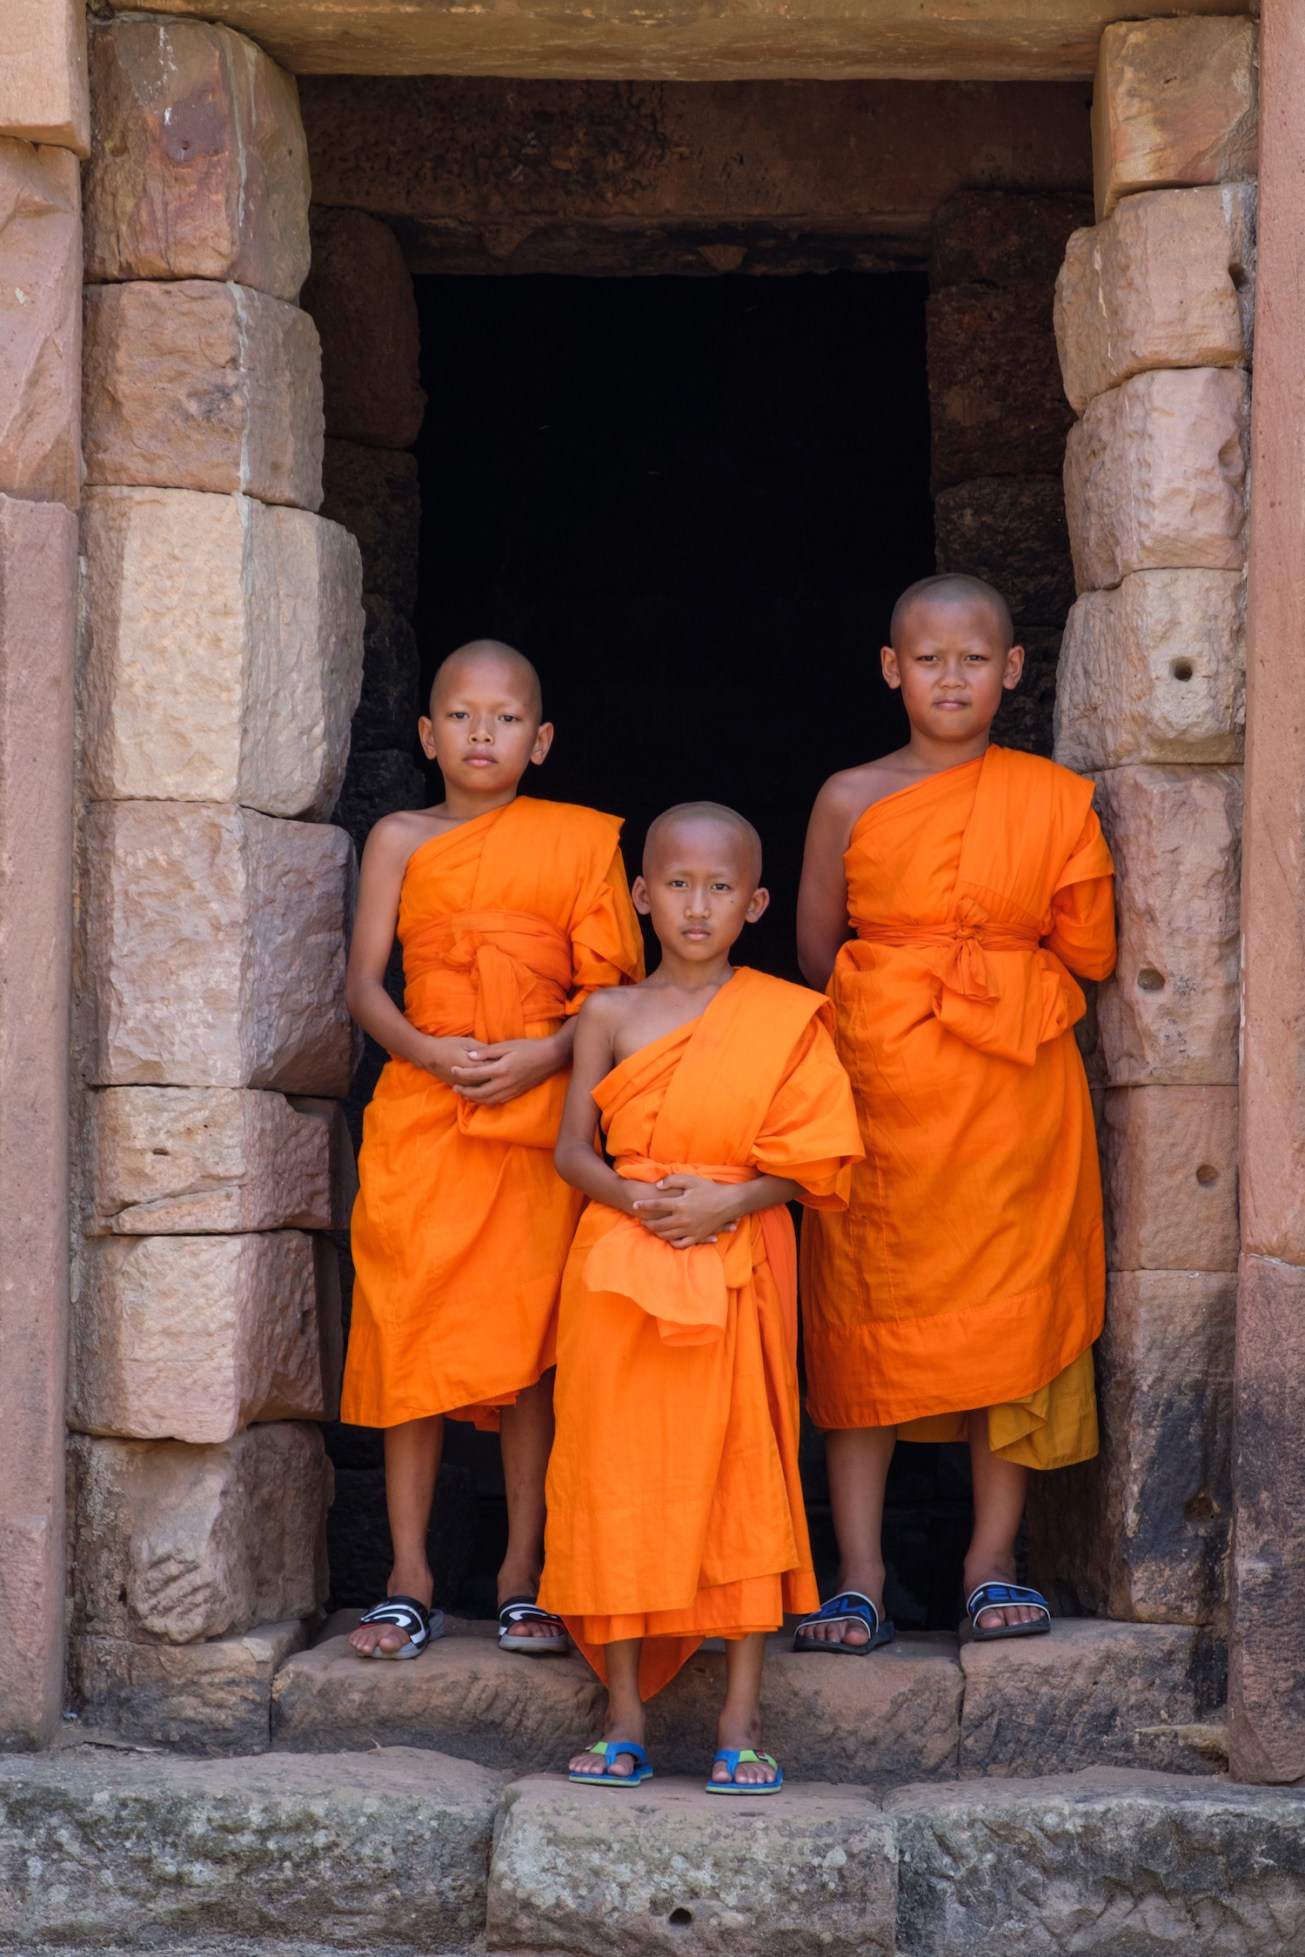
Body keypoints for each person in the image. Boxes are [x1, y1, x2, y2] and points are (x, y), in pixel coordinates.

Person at [794, 574, 1116, 1652]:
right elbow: (815, 952)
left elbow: (1088, 948)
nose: (951, 677)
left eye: (974, 658)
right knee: (863, 1326)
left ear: (1012, 671)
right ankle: (861, 1574)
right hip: (881, 1096)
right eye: (928, 659)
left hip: (1016, 1104)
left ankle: (991, 1561)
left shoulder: (1052, 798)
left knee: (1010, 1322)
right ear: (892, 670)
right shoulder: (848, 794)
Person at [539, 802, 863, 1791]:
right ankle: (624, 1712)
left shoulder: (784, 1017)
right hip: (622, 1263)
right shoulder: (607, 1013)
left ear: (755, 903)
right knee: (615, 1475)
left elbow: (815, 1161)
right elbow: (568, 1152)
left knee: (744, 1475)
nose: (696, 904)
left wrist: (727, 1200)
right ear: (641, 893)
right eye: (676, 883)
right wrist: (643, 1201)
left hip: (738, 1258)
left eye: (721, 888)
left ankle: (739, 1718)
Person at [340, 639, 644, 1661]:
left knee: (530, 1351)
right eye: (462, 717)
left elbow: (615, 993)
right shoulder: (397, 838)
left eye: (506, 718)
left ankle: (525, 1570)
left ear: (541, 740)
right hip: (423, 1117)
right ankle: (409, 1575)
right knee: (411, 1336)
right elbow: (364, 987)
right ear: (427, 736)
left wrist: (546, 1055)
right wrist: (425, 1050)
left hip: (536, 1119)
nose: (482, 733)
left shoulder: (578, 842)